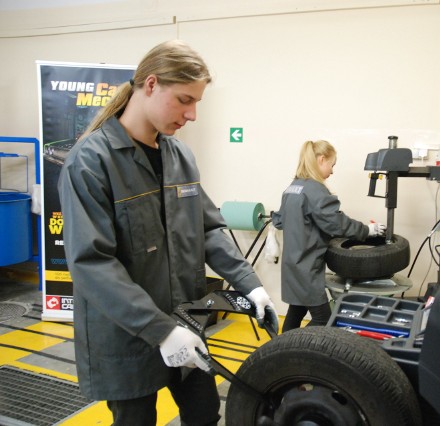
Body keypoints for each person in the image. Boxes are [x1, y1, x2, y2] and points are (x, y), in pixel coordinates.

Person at [58, 39, 278, 426]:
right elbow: (92, 263)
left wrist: (250, 284)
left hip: (186, 320)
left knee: (205, 414)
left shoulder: (179, 156)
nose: (192, 114)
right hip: (126, 333)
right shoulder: (91, 162)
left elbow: (207, 228)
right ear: (151, 84)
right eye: (184, 100)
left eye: (197, 103)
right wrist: (161, 332)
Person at [271, 140, 386, 332]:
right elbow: (336, 223)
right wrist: (367, 230)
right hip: (307, 266)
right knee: (323, 320)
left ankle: (283, 352)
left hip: (292, 264)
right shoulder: (315, 189)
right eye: (332, 165)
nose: (332, 171)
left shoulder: (293, 187)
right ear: (321, 159)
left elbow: (280, 221)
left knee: (296, 311)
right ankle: (293, 351)